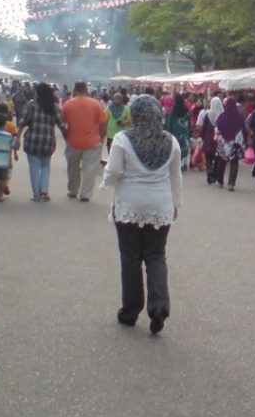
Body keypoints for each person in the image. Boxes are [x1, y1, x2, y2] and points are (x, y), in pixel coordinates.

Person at [102, 95, 183, 334]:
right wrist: (176, 203)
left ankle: (130, 311)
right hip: (161, 204)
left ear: (134, 115)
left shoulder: (122, 139)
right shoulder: (171, 140)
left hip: (129, 204)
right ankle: (159, 306)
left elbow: (114, 171)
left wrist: (106, 181)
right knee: (156, 256)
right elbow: (176, 176)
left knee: (131, 259)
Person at [15, 82, 67, 202]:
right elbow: (62, 125)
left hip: (32, 141)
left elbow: (22, 122)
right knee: (45, 167)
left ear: (38, 93)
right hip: (48, 142)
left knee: (34, 167)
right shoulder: (54, 107)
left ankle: (36, 194)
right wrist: (67, 139)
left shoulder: (31, 106)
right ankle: (44, 191)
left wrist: (17, 138)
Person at [61, 82, 107, 202]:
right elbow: (103, 123)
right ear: (86, 90)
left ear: (75, 90)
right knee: (90, 169)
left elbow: (62, 123)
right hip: (92, 141)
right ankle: (85, 194)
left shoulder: (68, 104)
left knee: (73, 168)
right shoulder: (96, 104)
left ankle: (73, 191)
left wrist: (66, 136)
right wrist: (101, 137)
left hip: (73, 141)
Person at [214, 96, 246, 192]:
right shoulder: (239, 116)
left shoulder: (222, 116)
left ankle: (219, 181)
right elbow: (243, 127)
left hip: (224, 142)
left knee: (222, 161)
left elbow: (217, 128)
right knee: (234, 163)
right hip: (235, 142)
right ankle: (231, 184)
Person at [198, 96, 223, 185]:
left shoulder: (208, 114)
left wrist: (202, 137)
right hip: (219, 139)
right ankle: (215, 174)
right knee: (217, 158)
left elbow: (204, 128)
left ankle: (209, 170)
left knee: (208, 157)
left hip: (208, 139)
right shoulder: (222, 114)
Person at [164, 93, 191, 165]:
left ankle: (176, 164)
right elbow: (189, 123)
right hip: (185, 132)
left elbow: (170, 122)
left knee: (176, 148)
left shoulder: (173, 110)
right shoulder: (186, 110)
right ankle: (183, 164)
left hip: (175, 132)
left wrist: (169, 131)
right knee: (184, 148)